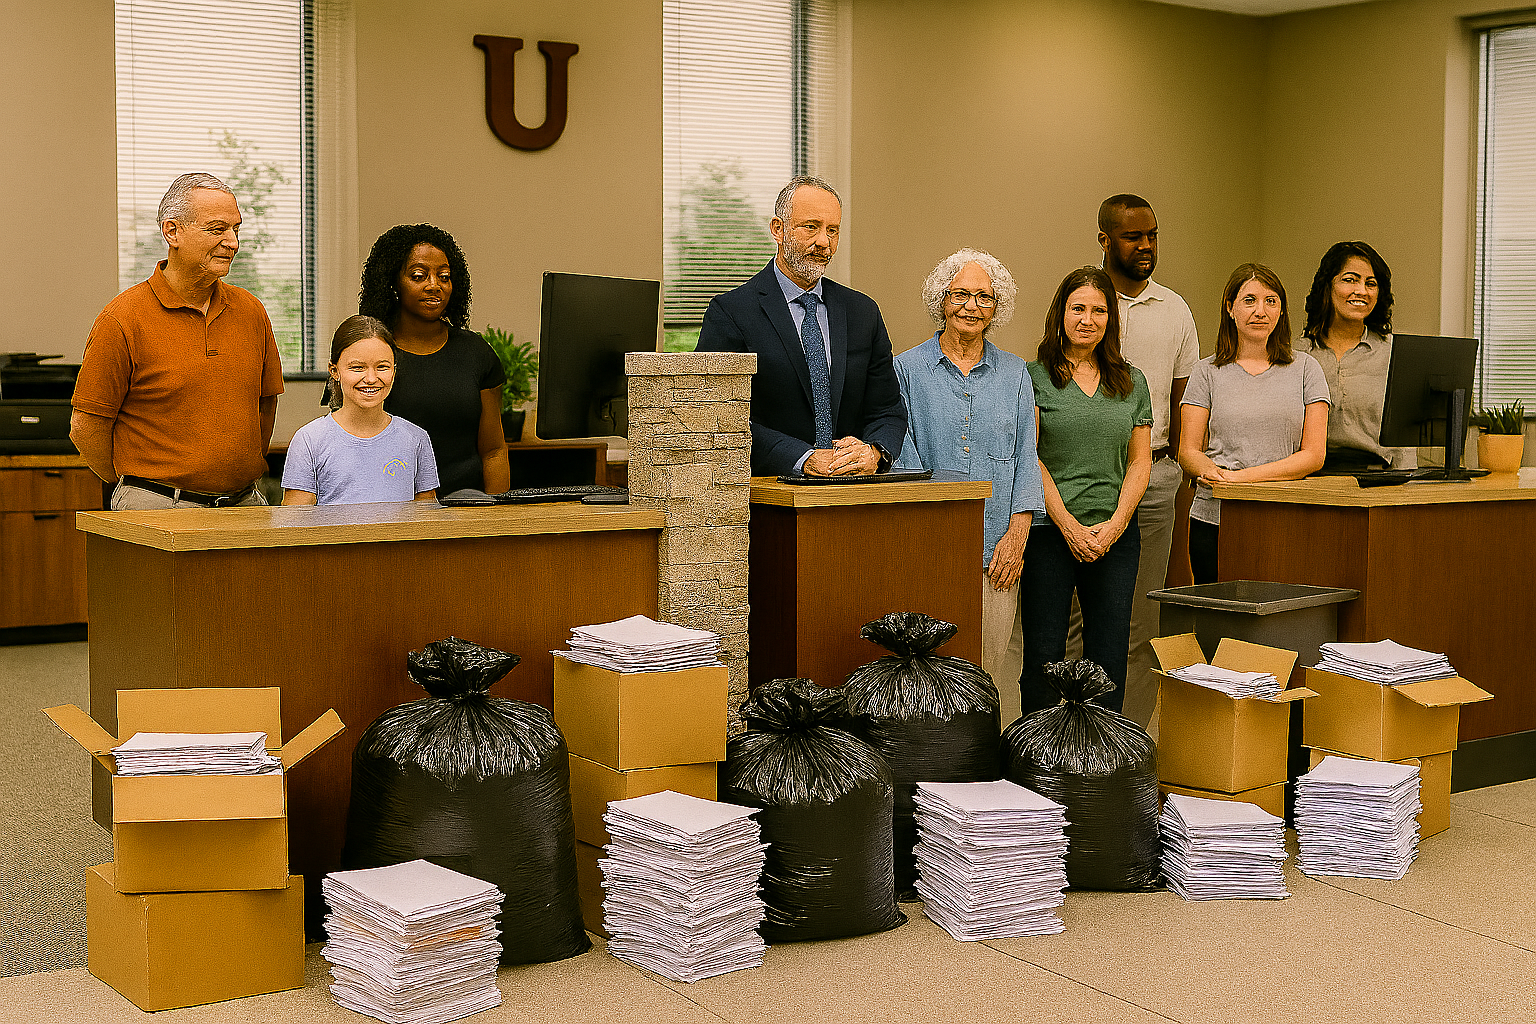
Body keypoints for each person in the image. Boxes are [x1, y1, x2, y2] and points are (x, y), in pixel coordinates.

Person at [894, 249, 1045, 725]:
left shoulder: (1016, 374)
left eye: (984, 297)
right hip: (929, 548)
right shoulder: (906, 370)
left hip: (998, 549)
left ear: (996, 309)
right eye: (962, 294)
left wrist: (1017, 536)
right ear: (942, 300)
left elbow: (1026, 458)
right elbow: (903, 457)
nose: (972, 306)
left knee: (985, 671)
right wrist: (933, 537)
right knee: (927, 673)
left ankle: (976, 776)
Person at [70, 173, 284, 508]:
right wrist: (134, 488)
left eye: (236, 229)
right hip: (157, 504)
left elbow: (265, 402)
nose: (233, 242)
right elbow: (86, 427)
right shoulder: (122, 319)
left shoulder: (251, 311)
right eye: (217, 229)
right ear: (173, 232)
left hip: (244, 504)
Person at [696, 176, 907, 476]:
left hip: (855, 499)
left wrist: (873, 452)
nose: (824, 241)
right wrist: (802, 458)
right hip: (773, 498)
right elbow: (717, 414)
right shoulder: (731, 313)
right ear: (778, 229)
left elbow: (887, 411)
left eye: (832, 230)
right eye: (811, 226)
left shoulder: (863, 312)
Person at [1020, 266, 1152, 717]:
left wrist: (1115, 525)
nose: (1088, 319)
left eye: (1099, 311)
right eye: (1078, 308)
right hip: (1049, 532)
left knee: (1110, 655)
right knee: (1043, 656)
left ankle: (1102, 757)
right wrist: (1069, 525)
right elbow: (1029, 457)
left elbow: (1140, 461)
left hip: (1115, 534)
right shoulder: (1033, 377)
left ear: (1110, 320)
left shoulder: (1132, 382)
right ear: (1061, 315)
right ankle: (1036, 756)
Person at [1092, 193, 1201, 728]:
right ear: (1106, 240)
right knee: (1077, 616)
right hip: (1087, 479)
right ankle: (1066, 734)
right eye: (1134, 236)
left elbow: (1183, 401)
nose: (1146, 246)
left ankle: (1126, 739)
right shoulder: (1086, 302)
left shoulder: (1175, 309)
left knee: (1142, 614)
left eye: (1153, 235)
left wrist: (1183, 477)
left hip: (1156, 476)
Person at [1179, 263, 1331, 584]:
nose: (1260, 311)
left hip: (1285, 516)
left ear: (1281, 310)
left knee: (1277, 621)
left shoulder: (1306, 368)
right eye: (1249, 300)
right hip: (1214, 517)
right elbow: (1188, 452)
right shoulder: (1206, 371)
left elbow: (1313, 455)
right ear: (1230, 308)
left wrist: (1242, 480)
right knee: (1217, 621)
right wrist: (1218, 476)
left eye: (1270, 301)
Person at [358, 224, 510, 496]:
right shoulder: (368, 353)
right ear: (393, 283)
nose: (434, 285)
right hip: (390, 510)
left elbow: (494, 450)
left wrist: (494, 518)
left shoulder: (475, 353)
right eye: (418, 276)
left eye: (444, 276)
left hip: (468, 508)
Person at [281, 316, 439, 506]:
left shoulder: (416, 439)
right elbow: (296, 525)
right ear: (334, 370)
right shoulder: (308, 440)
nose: (371, 378)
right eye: (357, 367)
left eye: (382, 367)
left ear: (394, 371)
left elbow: (428, 522)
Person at [1298, 241, 1414, 470]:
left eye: (1371, 283)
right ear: (1327, 286)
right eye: (1350, 279)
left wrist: (1405, 492)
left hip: (1377, 482)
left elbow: (1404, 447)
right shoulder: (1298, 355)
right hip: (1309, 482)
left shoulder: (1395, 355)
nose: (1361, 290)